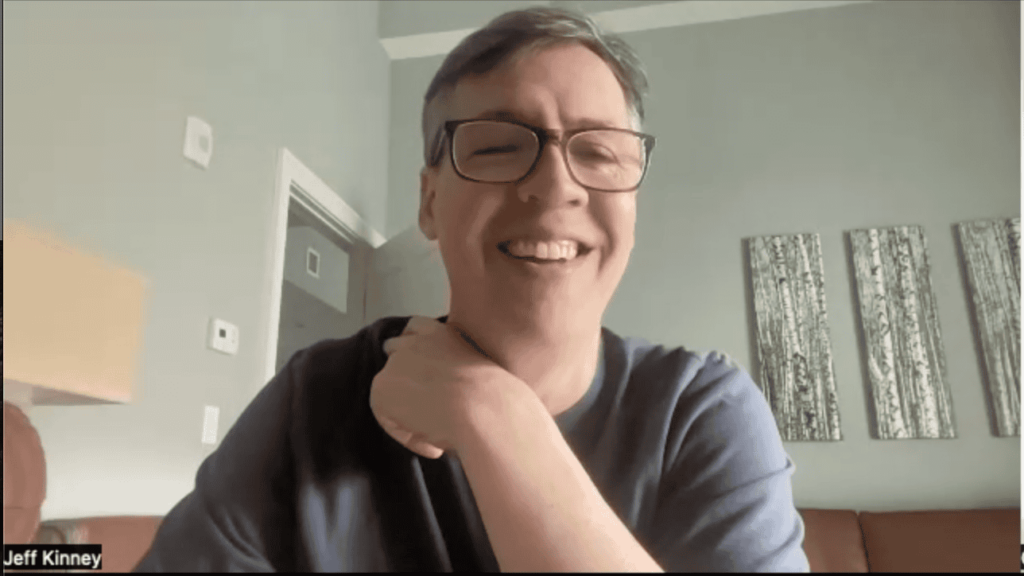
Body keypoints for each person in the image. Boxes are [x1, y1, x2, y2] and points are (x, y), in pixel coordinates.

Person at [134, 6, 809, 572]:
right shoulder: (316, 400)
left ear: (633, 204)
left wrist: (493, 415)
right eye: (495, 147)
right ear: (428, 203)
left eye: (599, 152)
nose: (555, 185)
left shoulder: (703, 415)